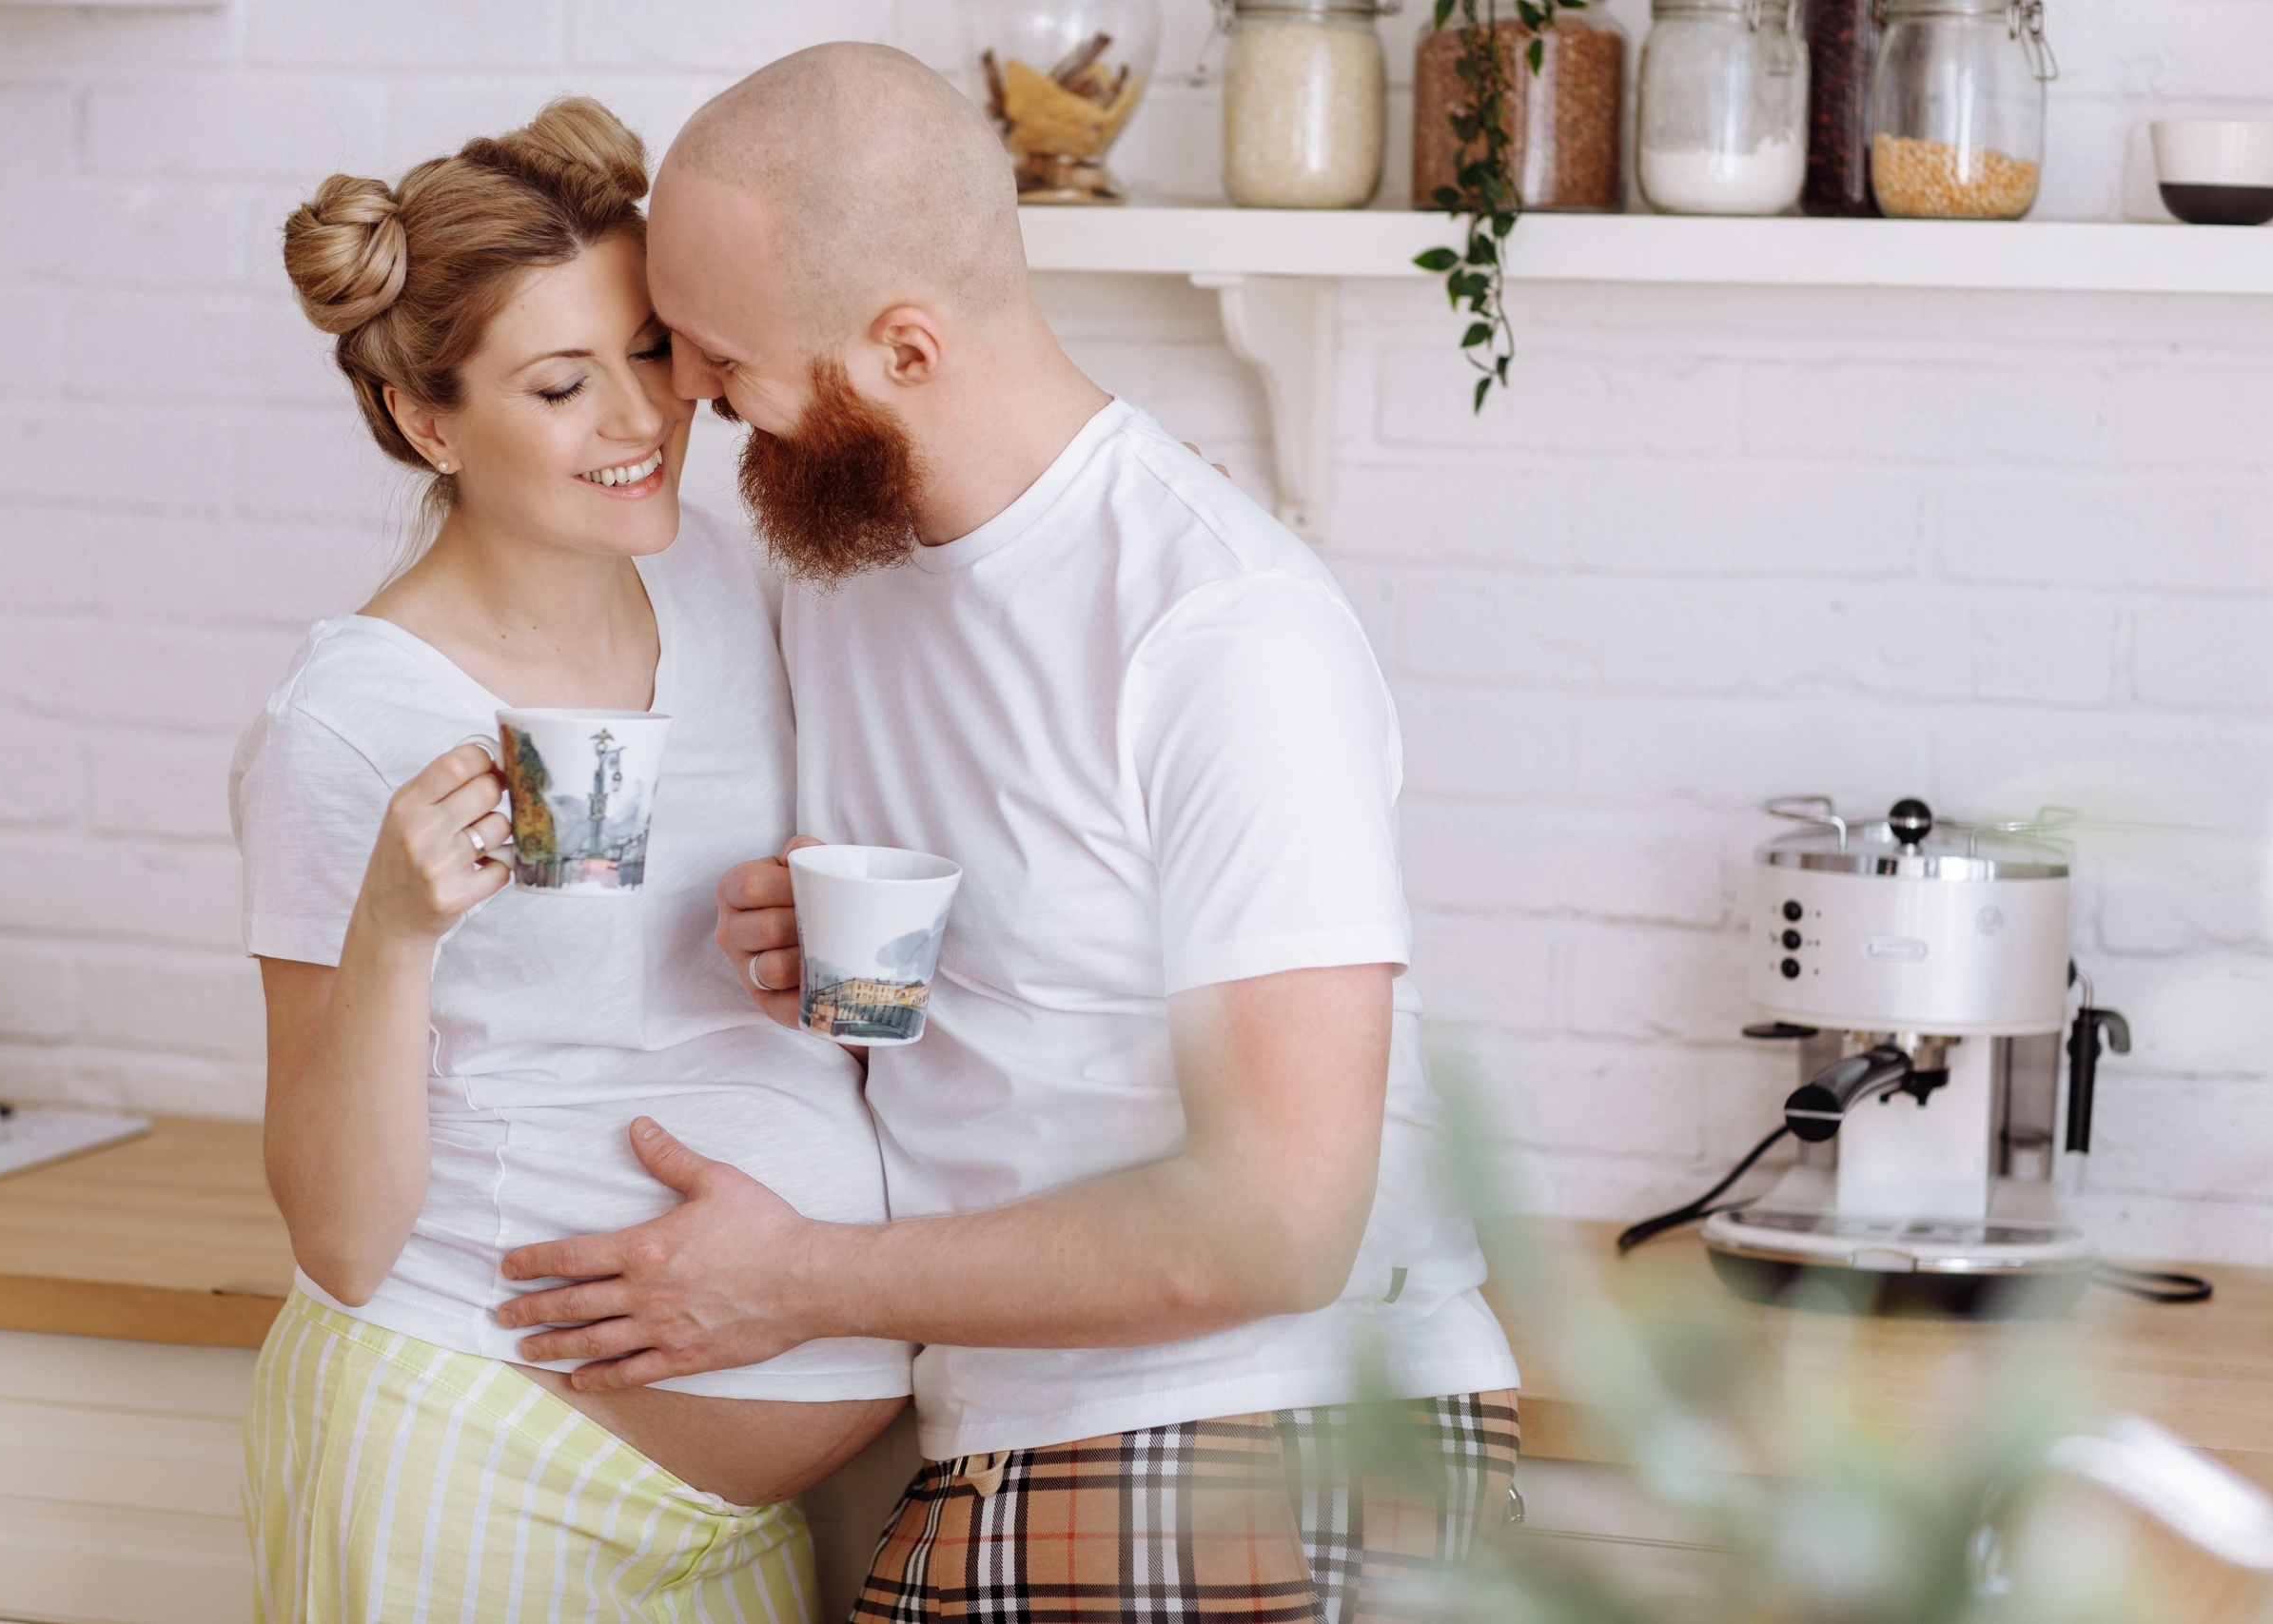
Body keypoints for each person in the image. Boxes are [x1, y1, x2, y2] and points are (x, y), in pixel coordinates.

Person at [494, 49, 1523, 1622]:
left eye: (717, 353)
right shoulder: (840, 564)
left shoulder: (1222, 627)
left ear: (905, 345)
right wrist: (794, 941)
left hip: (1271, 1423)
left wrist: (791, 1283)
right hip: (1015, 1424)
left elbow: (1275, 1223)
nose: (687, 398)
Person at [230, 99, 908, 1624]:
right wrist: (395, 932)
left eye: (651, 353)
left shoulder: (724, 576)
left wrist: (804, 924)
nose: (642, 419)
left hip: (731, 1523)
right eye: (561, 383)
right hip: (474, 1443)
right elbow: (336, 1234)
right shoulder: (357, 718)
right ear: (429, 421)